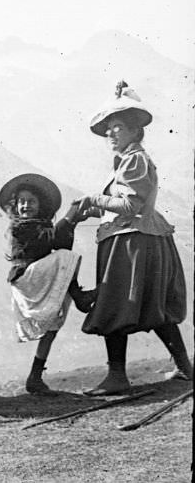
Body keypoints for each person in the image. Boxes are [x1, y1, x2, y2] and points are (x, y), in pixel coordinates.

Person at [76, 81, 191, 396]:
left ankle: (117, 376)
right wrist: (95, 211)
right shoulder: (130, 159)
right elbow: (126, 204)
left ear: (134, 130)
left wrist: (93, 200)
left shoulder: (134, 160)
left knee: (116, 303)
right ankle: (184, 367)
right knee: (151, 305)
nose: (111, 134)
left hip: (131, 243)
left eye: (118, 127)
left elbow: (130, 205)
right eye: (110, 128)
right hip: (139, 239)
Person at [0, 173, 97, 395]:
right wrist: (71, 215)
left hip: (38, 276)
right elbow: (53, 241)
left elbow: (60, 238)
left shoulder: (39, 225)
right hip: (27, 277)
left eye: (31, 201)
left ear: (41, 205)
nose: (25, 206)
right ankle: (79, 297)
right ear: (15, 205)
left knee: (52, 325)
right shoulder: (19, 227)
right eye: (21, 201)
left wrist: (73, 222)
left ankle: (35, 377)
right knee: (66, 258)